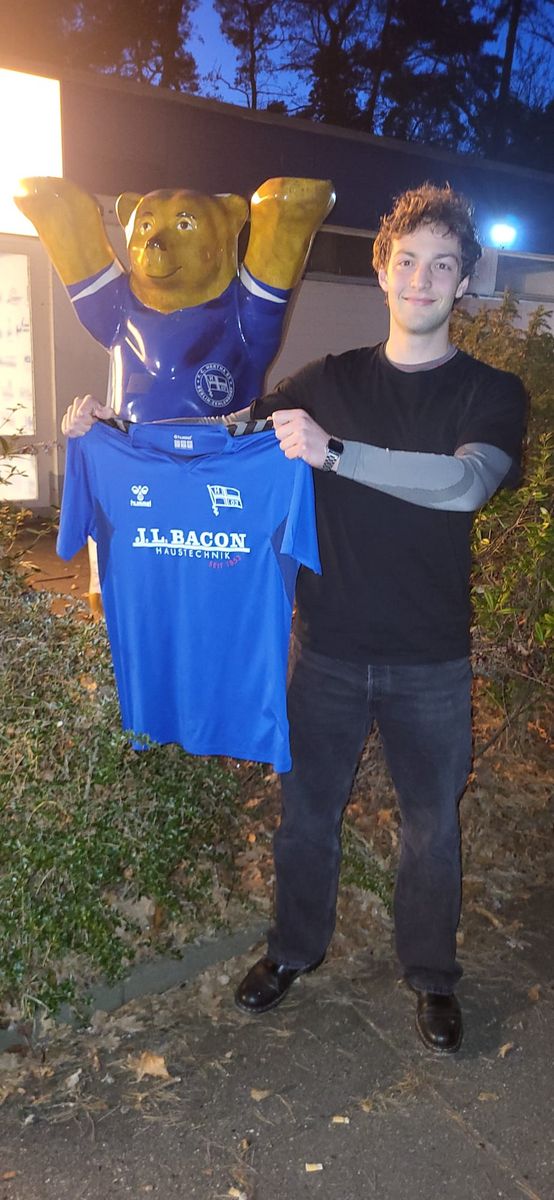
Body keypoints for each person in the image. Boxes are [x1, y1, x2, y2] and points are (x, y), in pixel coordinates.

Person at [233, 184, 527, 1053]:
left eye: (442, 265)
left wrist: (335, 453)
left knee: (432, 831)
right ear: (381, 271)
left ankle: (432, 975)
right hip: (325, 649)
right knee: (305, 818)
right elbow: (229, 434)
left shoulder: (490, 391)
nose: (421, 279)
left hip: (430, 660)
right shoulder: (327, 380)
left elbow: (465, 484)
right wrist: (115, 425)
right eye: (407, 261)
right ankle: (292, 951)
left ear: (464, 283)